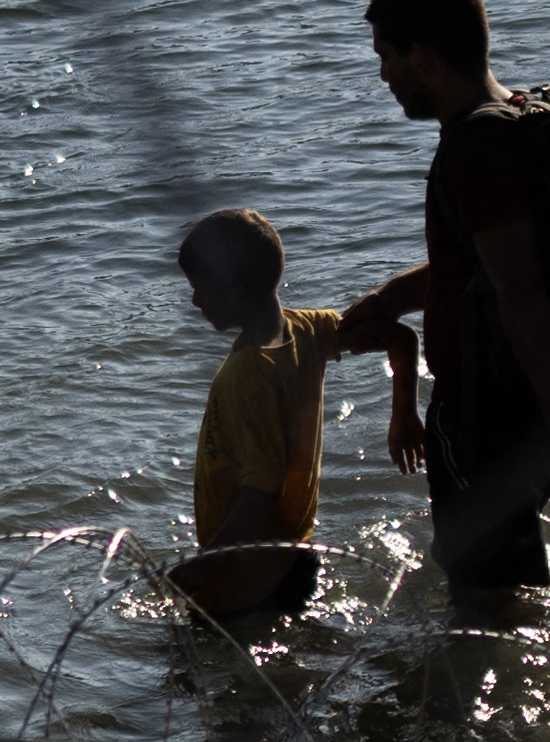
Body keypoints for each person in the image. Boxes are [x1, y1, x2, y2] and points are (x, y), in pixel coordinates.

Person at [336, 0, 550, 610]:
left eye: (385, 56)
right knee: (485, 569)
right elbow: (484, 263)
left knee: (486, 603)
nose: (382, 74)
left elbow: (517, 287)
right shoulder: (515, 114)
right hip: (519, 402)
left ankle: (478, 706)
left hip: (488, 412)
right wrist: (389, 300)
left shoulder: (475, 150)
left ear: (422, 56)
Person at [172, 206, 410, 624]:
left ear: (237, 297)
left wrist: (207, 563)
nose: (194, 301)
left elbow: (263, 488)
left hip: (243, 581)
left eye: (200, 290)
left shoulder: (249, 371)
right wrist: (404, 414)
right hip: (297, 554)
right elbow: (399, 334)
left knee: (200, 681)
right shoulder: (307, 329)